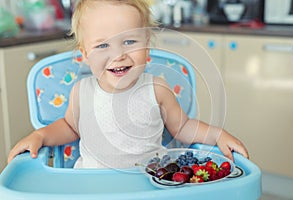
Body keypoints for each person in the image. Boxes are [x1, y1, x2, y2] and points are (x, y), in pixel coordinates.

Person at [7, 0, 248, 168]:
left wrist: (217, 134)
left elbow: (182, 127)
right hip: (93, 188)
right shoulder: (82, 92)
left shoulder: (158, 89)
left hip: (149, 184)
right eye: (102, 45)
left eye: (130, 41)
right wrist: (40, 135)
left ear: (147, 45)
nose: (118, 55)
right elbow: (70, 128)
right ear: (85, 54)